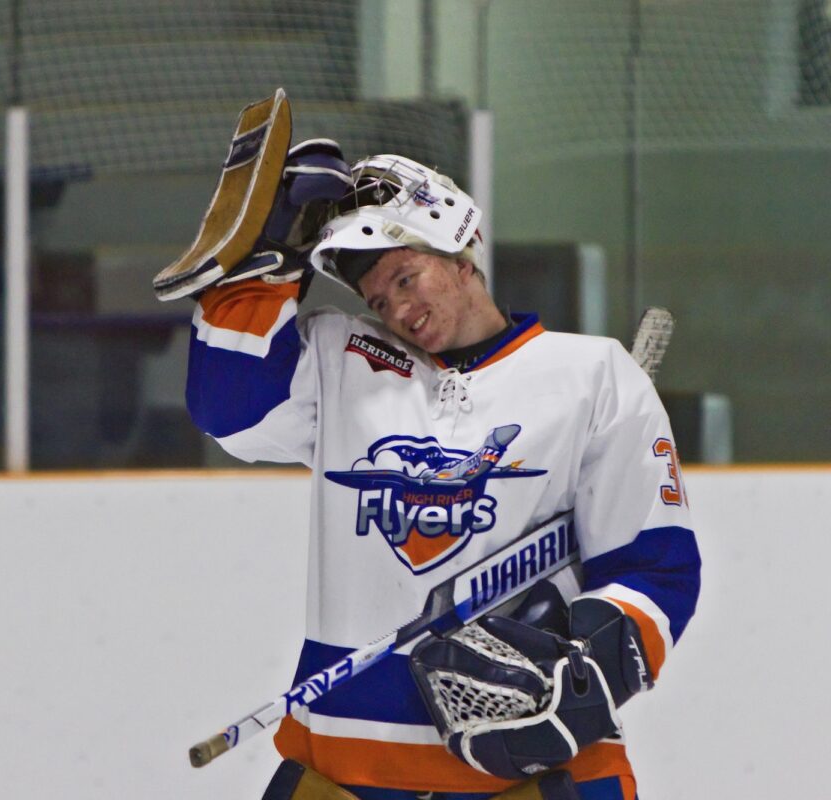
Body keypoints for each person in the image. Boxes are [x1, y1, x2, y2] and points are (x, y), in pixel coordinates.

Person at [182, 149, 701, 799]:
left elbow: (656, 564)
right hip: (347, 772)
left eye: (405, 277)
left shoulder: (591, 376)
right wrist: (268, 265)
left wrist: (591, 675)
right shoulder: (344, 360)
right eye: (377, 296)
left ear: (461, 251)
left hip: (530, 775)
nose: (397, 308)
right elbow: (227, 408)